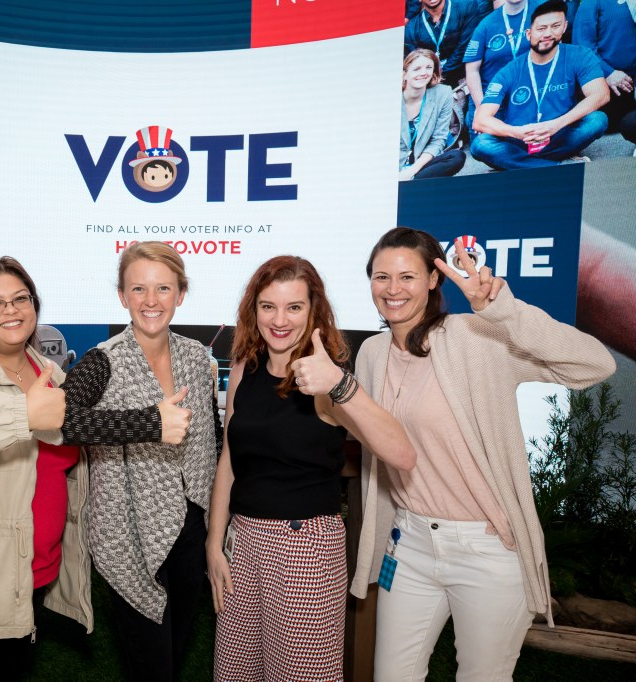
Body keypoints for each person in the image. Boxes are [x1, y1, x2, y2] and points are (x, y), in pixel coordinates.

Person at [0, 256, 190, 679]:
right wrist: (20, 413)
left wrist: (150, 422)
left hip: (30, 570)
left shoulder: (46, 372)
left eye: (20, 299)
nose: (10, 310)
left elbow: (72, 428)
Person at [350, 227, 616, 681]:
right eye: (381, 276)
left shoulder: (475, 336)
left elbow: (595, 363)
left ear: (435, 280)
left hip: (487, 548)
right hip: (409, 543)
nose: (392, 289)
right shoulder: (372, 353)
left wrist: (503, 311)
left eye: (407, 277)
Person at [206, 256, 415, 681]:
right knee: (235, 673)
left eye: (294, 307)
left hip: (304, 548)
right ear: (253, 310)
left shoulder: (327, 380)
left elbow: (402, 453)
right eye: (268, 306)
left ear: (313, 310)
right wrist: (214, 543)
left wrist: (338, 383)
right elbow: (229, 456)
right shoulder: (245, 367)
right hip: (242, 540)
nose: (279, 320)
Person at [61, 241, 219, 681]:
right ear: (122, 296)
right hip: (127, 534)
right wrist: (149, 423)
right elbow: (62, 421)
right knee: (150, 667)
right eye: (139, 289)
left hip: (190, 527)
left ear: (181, 294)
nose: (151, 301)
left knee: (175, 650)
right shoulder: (103, 361)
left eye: (163, 288)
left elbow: (210, 438)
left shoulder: (195, 356)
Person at [472, 0, 610, 169]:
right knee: (481, 144)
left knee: (598, 120)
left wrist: (555, 125)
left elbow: (601, 94)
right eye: (541, 29)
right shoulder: (509, 70)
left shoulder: (579, 55)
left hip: (560, 134)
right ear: (529, 34)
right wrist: (516, 132)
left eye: (555, 26)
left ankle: (521, 165)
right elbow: (480, 120)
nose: (548, 33)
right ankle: (556, 166)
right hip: (519, 140)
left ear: (565, 27)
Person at [464, 0, 531, 129]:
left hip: (528, 93)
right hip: (492, 96)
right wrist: (481, 107)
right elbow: (472, 70)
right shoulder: (486, 24)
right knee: (484, 145)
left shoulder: (542, 12)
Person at [400, 49, 467, 180]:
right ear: (404, 74)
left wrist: (411, 171)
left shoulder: (443, 93)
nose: (423, 73)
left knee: (456, 157)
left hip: (419, 163)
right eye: (417, 69)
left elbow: (438, 139)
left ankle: (412, 181)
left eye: (429, 67)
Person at [572, 0, 636, 130]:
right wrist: (608, 73)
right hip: (614, 79)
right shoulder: (592, 3)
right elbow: (582, 47)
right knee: (624, 124)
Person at [404, 0, 483, 87]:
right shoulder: (411, 28)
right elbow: (414, 60)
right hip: (430, 84)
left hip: (464, 78)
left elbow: (466, 47)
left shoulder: (467, 7)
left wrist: (440, 74)